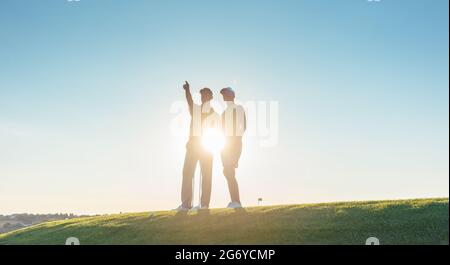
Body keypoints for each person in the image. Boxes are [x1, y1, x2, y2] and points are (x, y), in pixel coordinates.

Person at [174, 81, 219, 212]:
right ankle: (186, 204)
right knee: (187, 173)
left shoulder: (214, 114)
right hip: (193, 147)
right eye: (201, 95)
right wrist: (187, 90)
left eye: (205, 94)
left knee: (206, 175)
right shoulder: (196, 110)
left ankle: (204, 204)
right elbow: (189, 101)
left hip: (207, 147)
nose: (203, 97)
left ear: (210, 97)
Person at [220, 87, 246, 209]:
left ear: (232, 95)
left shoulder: (238, 108)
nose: (224, 96)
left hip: (234, 143)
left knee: (229, 171)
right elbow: (221, 130)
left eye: (225, 93)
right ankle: (234, 201)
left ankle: (237, 202)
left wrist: (236, 140)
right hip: (225, 146)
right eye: (223, 94)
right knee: (227, 171)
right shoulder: (224, 113)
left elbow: (243, 126)